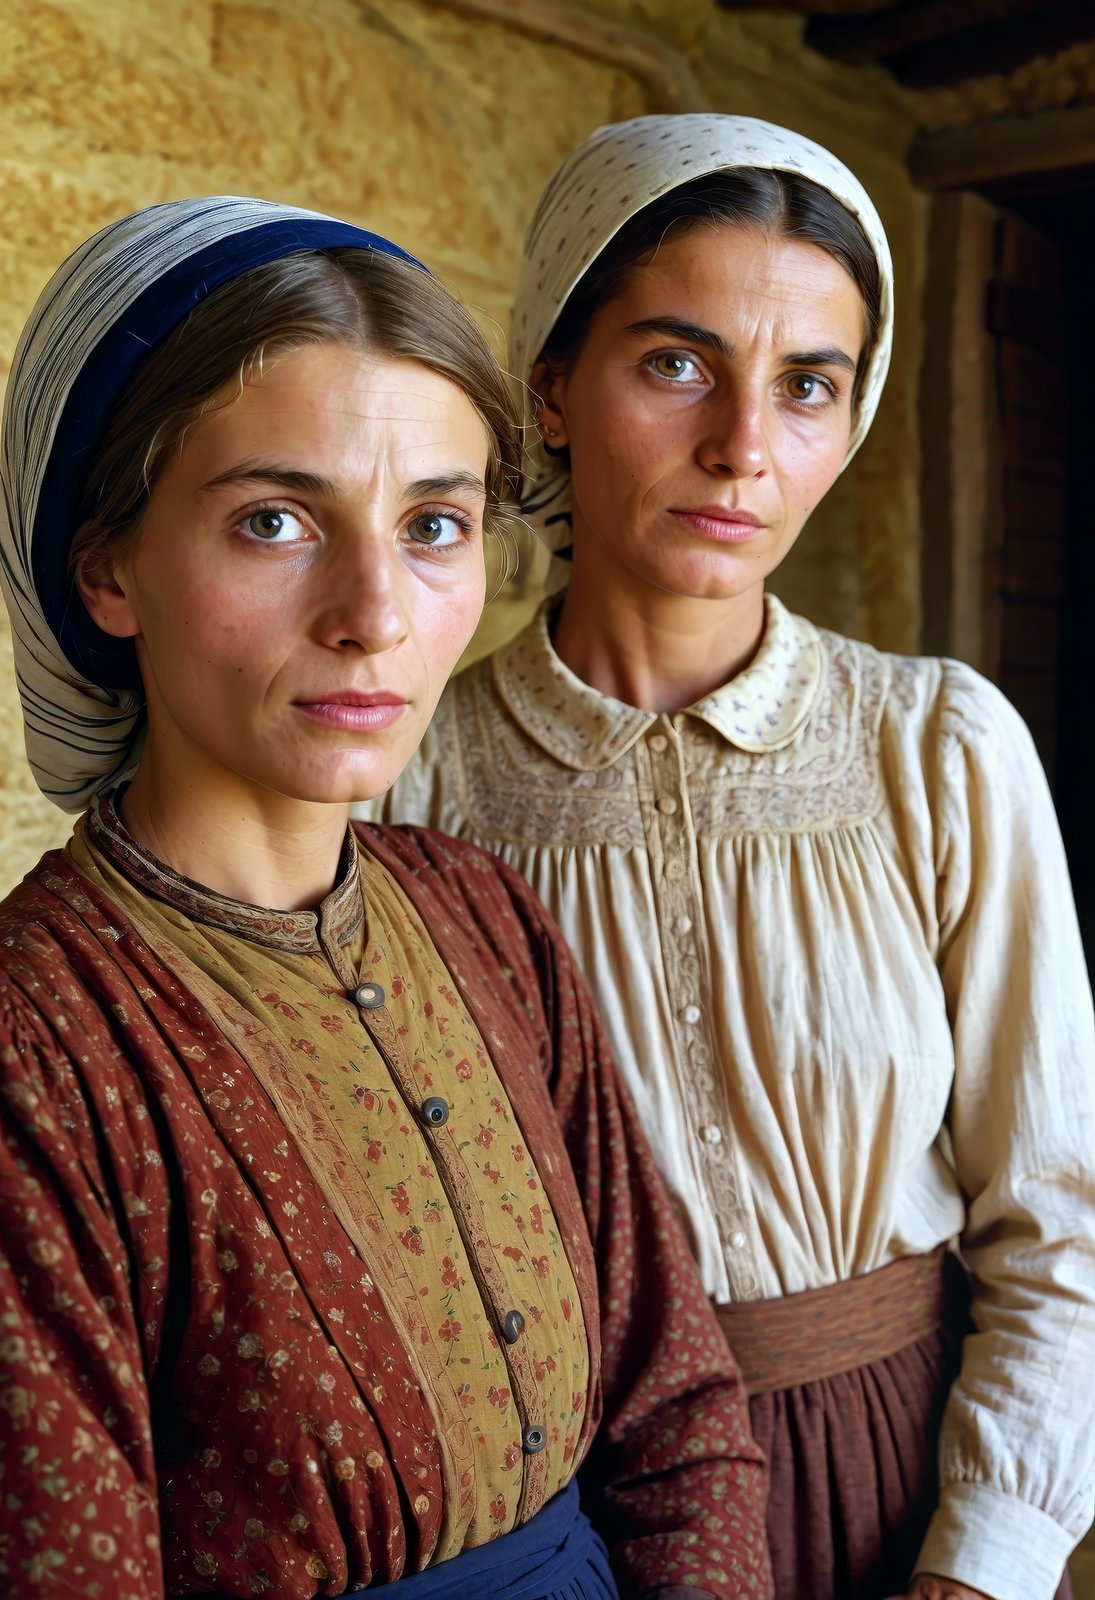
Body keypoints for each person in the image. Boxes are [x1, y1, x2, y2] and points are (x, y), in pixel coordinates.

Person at [0, 196, 772, 1600]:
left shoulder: (483, 915)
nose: (375, 610)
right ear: (107, 565)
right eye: (276, 519)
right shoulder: (38, 1048)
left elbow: (680, 1410)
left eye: (433, 524)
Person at [372, 115, 1095, 1600]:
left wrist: (986, 1561)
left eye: (808, 386)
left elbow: (1063, 1219)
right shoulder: (415, 783)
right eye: (677, 362)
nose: (744, 449)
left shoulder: (938, 753)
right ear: (555, 387)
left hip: (917, 1482)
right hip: (570, 1518)